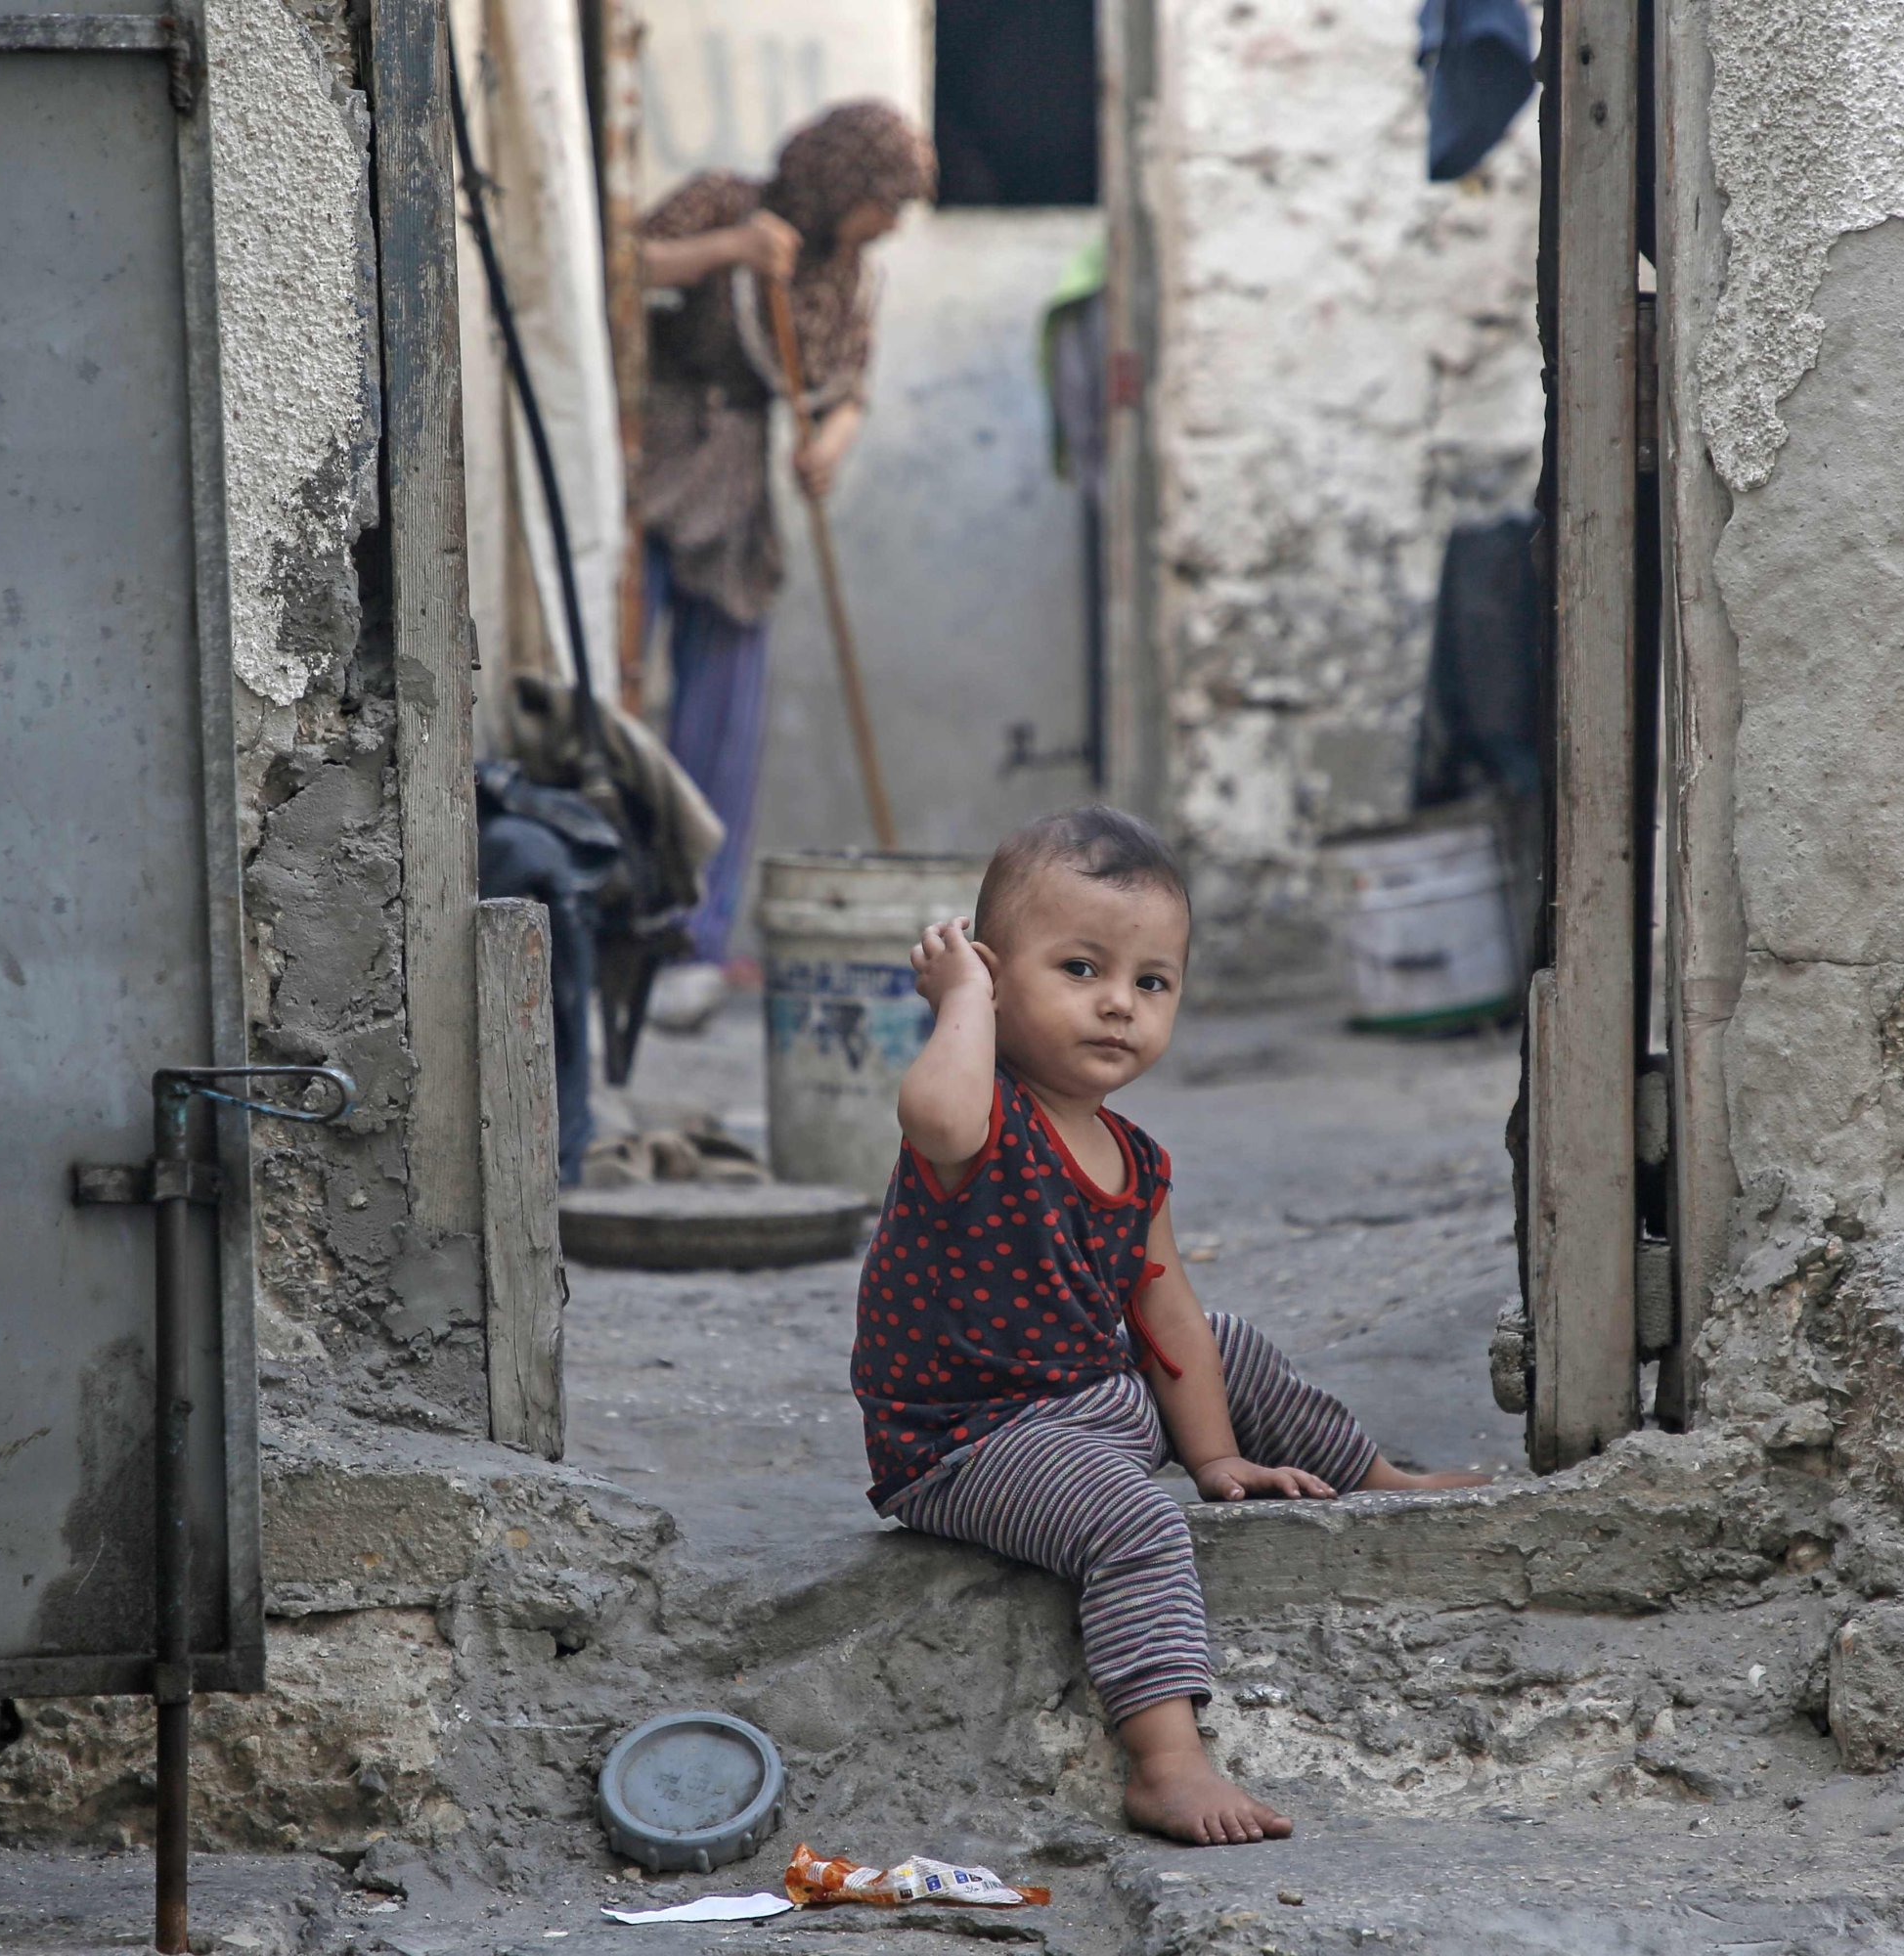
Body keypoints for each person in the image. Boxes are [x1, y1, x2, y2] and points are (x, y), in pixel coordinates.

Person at [853, 807, 1490, 1846]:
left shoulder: (1136, 1158)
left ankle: (1375, 1474)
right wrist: (958, 1002)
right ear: (993, 971)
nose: (1119, 1005)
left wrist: (1216, 1454)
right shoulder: (981, 1119)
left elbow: (1165, 1310)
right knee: (1132, 1520)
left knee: (1223, 1340)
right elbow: (932, 1111)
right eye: (1080, 967)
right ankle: (1167, 1761)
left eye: (1152, 982)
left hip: (1088, 1403)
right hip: (970, 1442)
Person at [630, 101, 936, 1029]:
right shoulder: (725, 201)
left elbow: (848, 387)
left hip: (738, 493)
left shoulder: (846, 277)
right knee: (613, 700)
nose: (891, 224)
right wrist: (726, 250)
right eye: (885, 202)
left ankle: (696, 939)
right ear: (842, 183)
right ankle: (613, 923)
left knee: (724, 718)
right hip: (650, 462)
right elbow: (619, 267)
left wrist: (829, 448)